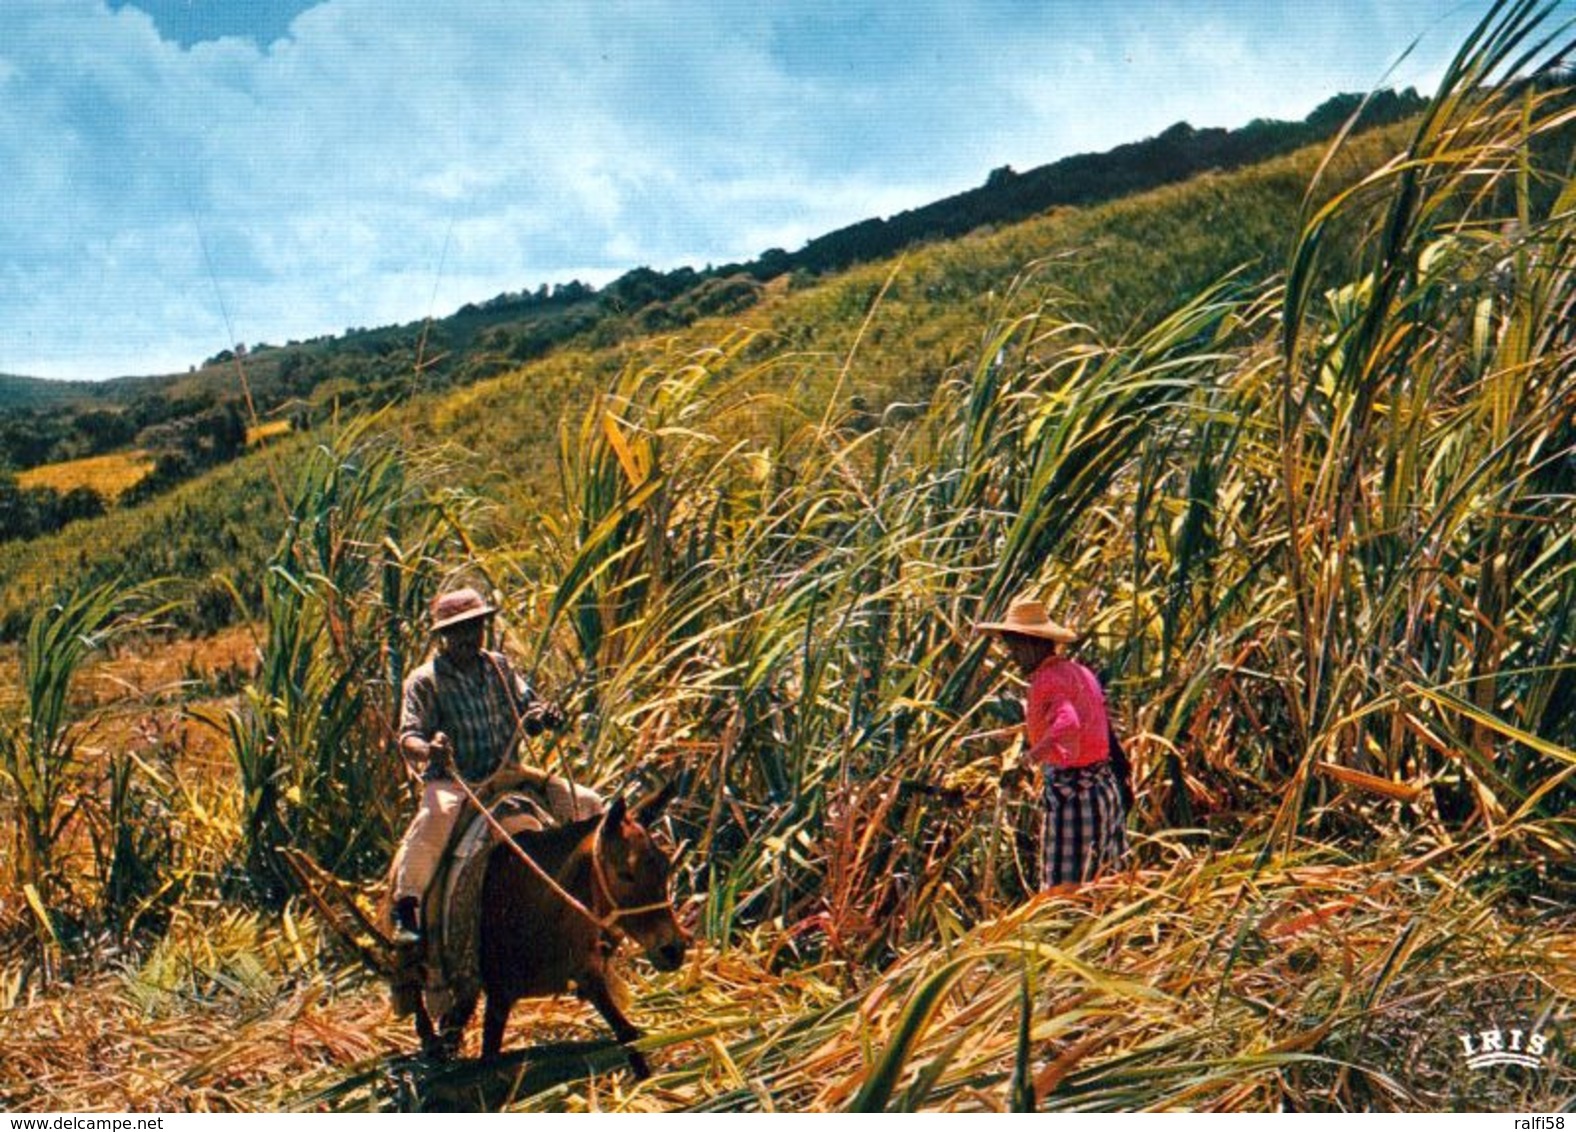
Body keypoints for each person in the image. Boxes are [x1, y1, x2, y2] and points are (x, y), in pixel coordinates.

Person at [389, 585, 565, 945]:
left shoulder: (499, 666)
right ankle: (406, 909)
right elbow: (408, 737)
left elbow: (526, 710)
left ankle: (592, 896)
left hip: (507, 774)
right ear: (443, 637)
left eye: (475, 626)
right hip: (457, 780)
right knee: (432, 823)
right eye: (458, 630)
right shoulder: (425, 681)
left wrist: (544, 716)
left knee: (583, 801)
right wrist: (430, 750)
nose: (469, 636)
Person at [977, 596, 1128, 889]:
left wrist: (1030, 758)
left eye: (1014, 648)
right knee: (1104, 886)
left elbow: (1068, 723)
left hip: (1075, 796)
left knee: (1063, 895)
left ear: (1030, 644)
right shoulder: (1079, 672)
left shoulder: (1047, 679)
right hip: (1104, 789)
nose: (1013, 657)